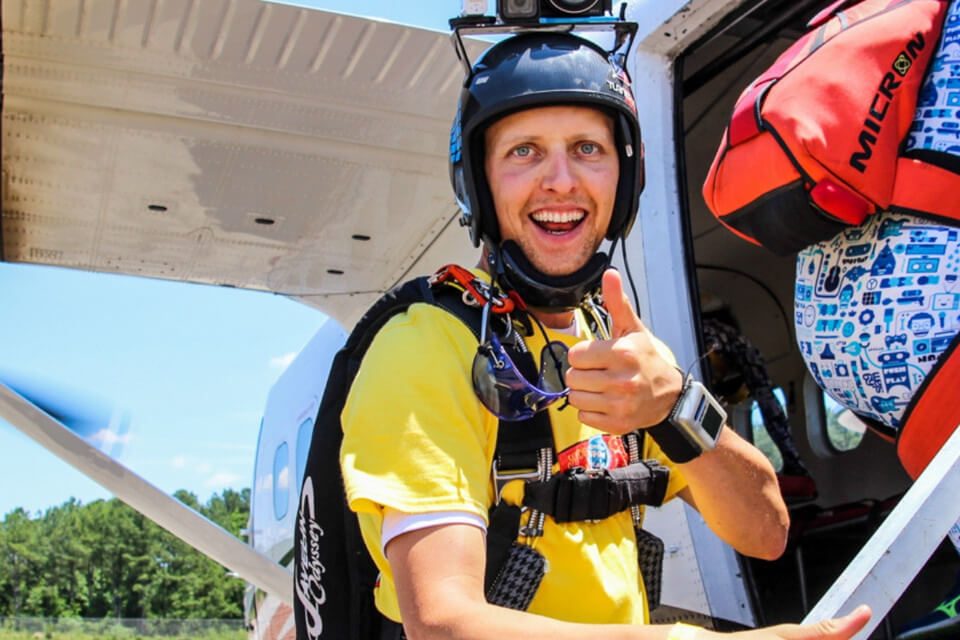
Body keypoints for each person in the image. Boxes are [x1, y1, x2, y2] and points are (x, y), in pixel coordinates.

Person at [339, 32, 871, 639]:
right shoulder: (424, 348)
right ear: (478, 184)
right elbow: (442, 623)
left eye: (588, 148)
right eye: (524, 152)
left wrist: (675, 407)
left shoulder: (622, 348)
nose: (561, 181)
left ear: (625, 177)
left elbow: (766, 532)